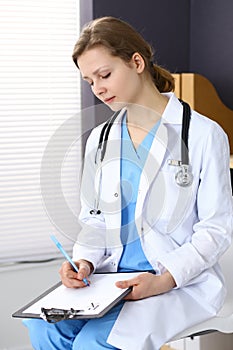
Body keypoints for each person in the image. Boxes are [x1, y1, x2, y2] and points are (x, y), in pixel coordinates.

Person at [24, 16, 233, 350]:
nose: (98, 88)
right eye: (90, 81)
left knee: (95, 343)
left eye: (105, 75)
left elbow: (216, 228)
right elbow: (93, 219)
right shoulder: (101, 140)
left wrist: (164, 281)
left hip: (176, 281)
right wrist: (85, 262)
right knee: (47, 329)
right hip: (107, 278)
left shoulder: (203, 135)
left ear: (137, 62)